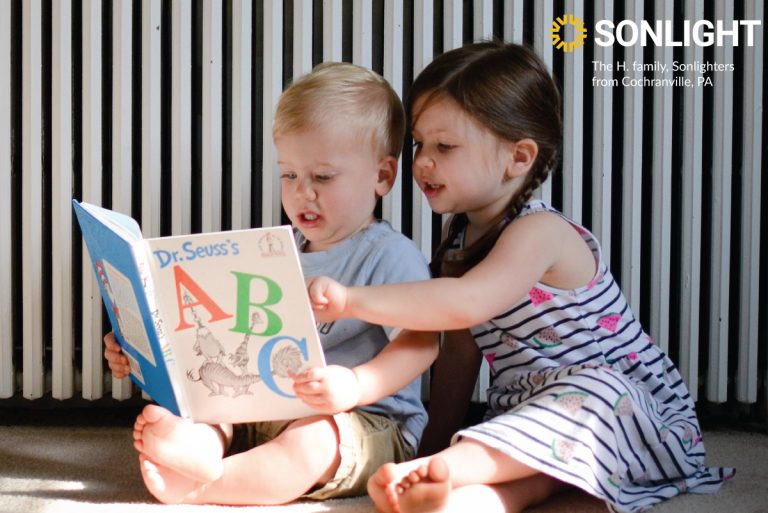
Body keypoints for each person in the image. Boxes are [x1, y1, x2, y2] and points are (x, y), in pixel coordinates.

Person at [299, 41, 734, 513]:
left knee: (591, 395)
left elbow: (464, 303)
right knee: (531, 461)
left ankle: (458, 468)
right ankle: (462, 496)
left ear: (519, 157)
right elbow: (459, 355)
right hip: (535, 417)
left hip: (636, 417)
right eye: (420, 144)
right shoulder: (461, 240)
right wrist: (432, 444)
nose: (423, 161)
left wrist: (349, 301)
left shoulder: (541, 233)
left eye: (445, 146)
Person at [103, 61, 437, 505]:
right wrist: (140, 342)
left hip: (363, 419)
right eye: (290, 175)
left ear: (382, 176)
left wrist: (356, 385)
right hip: (263, 406)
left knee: (312, 442)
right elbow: (222, 332)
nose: (303, 192)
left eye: (322, 177)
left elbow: (423, 341)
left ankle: (207, 484)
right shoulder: (275, 251)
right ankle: (199, 451)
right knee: (206, 411)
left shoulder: (388, 255)